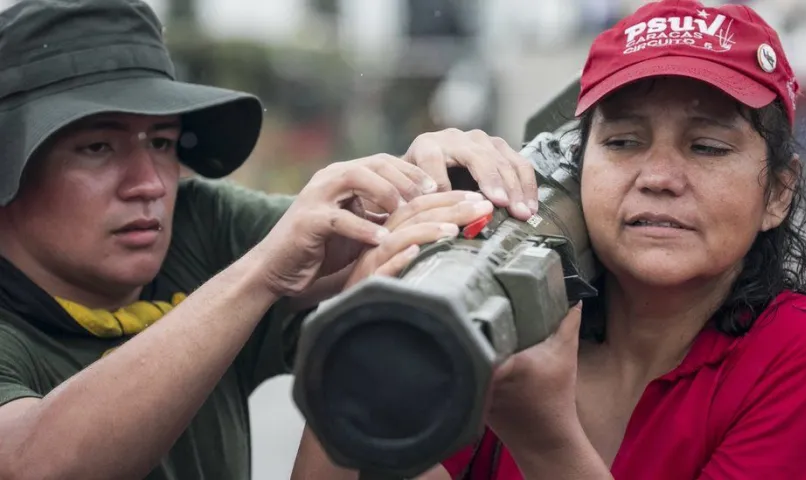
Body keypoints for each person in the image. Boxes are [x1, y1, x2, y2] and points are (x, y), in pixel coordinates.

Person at [291, 0, 806, 479]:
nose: (658, 176)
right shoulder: (502, 311)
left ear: (778, 193)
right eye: (624, 141)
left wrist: (543, 438)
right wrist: (368, 317)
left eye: (707, 147)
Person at [0, 1, 541, 479]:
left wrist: (424, 193)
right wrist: (261, 275)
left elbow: (343, 239)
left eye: (162, 142)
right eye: (97, 147)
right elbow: (33, 463)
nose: (150, 183)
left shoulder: (196, 223)